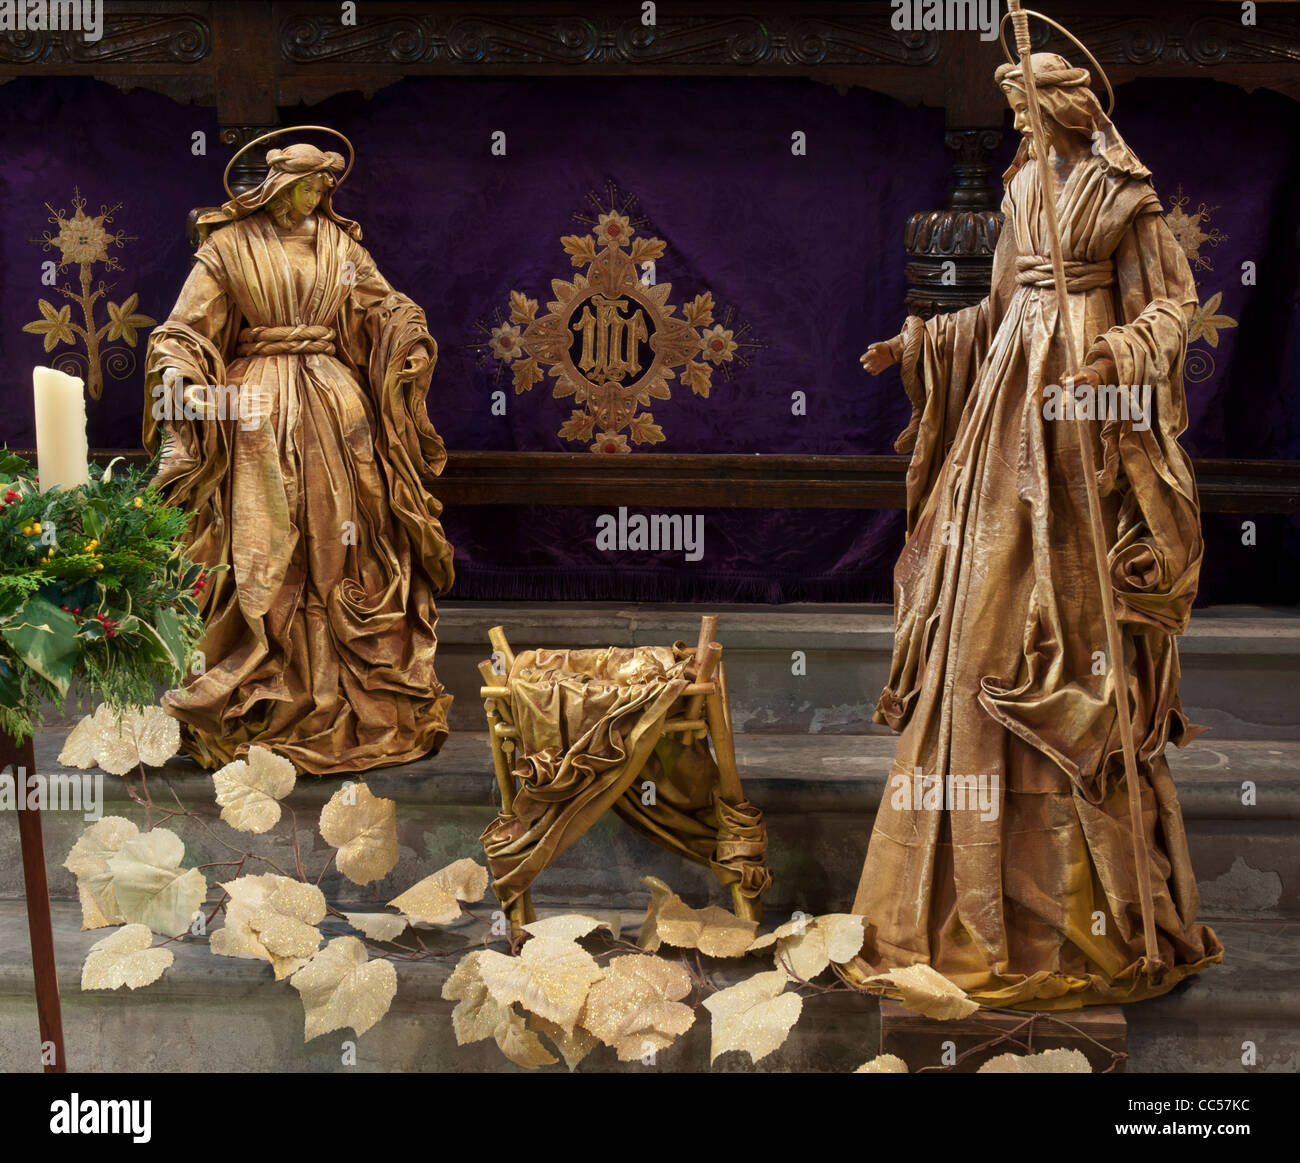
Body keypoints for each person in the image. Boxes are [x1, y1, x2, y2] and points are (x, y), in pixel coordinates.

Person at [852, 54, 1222, 1007]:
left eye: (1026, 107)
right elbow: (999, 306)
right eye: (1011, 109)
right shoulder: (1021, 187)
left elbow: (1176, 305)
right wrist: (925, 341)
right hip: (1005, 411)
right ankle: (964, 905)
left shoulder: (1122, 194)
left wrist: (1116, 355)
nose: (1018, 124)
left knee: (1076, 617)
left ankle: (1081, 916)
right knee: (978, 613)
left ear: (1064, 106)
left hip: (1082, 426)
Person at [143, 140, 455, 775]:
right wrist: (180, 375)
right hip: (253, 407)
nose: (316, 198)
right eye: (307, 187)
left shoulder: (341, 246)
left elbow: (381, 307)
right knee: (263, 538)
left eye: (323, 188)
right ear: (277, 185)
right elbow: (184, 328)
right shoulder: (228, 247)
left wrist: (408, 336)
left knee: (345, 535)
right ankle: (259, 679)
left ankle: (343, 679)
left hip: (336, 407)